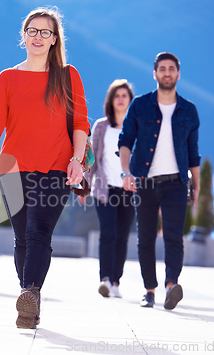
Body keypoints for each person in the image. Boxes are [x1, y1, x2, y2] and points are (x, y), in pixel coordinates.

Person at [0, 6, 90, 328]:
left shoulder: (68, 76)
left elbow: (81, 124)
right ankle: (31, 299)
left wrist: (77, 160)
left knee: (38, 231)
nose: (38, 37)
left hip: (57, 167)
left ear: (55, 39)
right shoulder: (8, 77)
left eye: (46, 32)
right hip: (13, 168)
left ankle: (29, 292)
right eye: (33, 31)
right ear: (23, 37)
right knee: (21, 240)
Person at [118, 52, 200, 310]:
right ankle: (149, 290)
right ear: (155, 74)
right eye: (162, 69)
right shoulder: (140, 105)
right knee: (145, 238)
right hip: (144, 180)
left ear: (178, 73)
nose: (167, 72)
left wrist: (195, 185)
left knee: (175, 236)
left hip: (176, 182)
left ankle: (171, 286)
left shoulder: (189, 110)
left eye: (171, 68)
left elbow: (193, 151)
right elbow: (125, 141)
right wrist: (125, 173)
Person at [85, 80, 135, 299]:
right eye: (117, 95)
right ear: (111, 100)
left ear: (130, 100)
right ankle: (104, 279)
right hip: (104, 189)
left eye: (125, 95)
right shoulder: (101, 126)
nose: (121, 99)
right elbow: (92, 157)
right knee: (108, 232)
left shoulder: (137, 128)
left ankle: (116, 281)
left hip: (129, 190)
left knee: (122, 236)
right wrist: (84, 185)